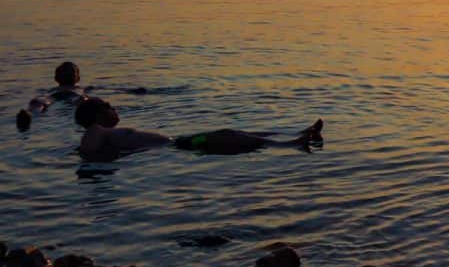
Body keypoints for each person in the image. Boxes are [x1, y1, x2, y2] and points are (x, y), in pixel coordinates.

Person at [73, 97, 323, 162]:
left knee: (233, 133)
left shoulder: (100, 131)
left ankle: (294, 134)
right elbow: (89, 150)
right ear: (97, 115)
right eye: (108, 107)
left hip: (179, 143)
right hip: (181, 146)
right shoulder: (95, 130)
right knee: (228, 137)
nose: (114, 109)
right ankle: (292, 144)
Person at [19, 62, 89, 131]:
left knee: (39, 102)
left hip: (54, 95)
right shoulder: (82, 89)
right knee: (84, 101)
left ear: (56, 78)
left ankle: (31, 113)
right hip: (74, 95)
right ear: (78, 78)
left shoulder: (51, 91)